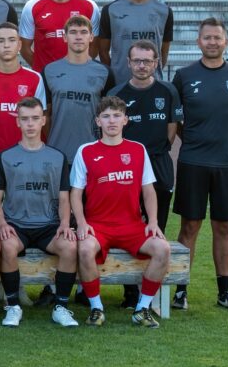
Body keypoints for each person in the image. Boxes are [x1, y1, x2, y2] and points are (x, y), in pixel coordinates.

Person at [70, 96, 171, 328]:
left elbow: (148, 191)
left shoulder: (138, 149)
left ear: (125, 120)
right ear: (98, 121)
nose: (111, 121)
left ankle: (142, 309)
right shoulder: (86, 151)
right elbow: (75, 193)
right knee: (84, 249)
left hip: (131, 225)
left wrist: (153, 221)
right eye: (106, 116)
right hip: (98, 225)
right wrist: (82, 223)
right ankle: (96, 308)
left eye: (117, 116)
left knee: (163, 249)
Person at [171, 18, 228, 312]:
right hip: (193, 162)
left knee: (223, 226)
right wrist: (193, 139)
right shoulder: (184, 75)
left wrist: (227, 138)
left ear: (226, 41)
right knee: (190, 226)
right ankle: (181, 291)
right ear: (198, 42)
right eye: (207, 37)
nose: (212, 42)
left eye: (217, 37)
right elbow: (176, 118)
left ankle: (224, 292)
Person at [0, 97, 79, 328]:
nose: (30, 124)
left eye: (34, 118)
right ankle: (13, 306)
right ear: (17, 122)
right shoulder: (5, 157)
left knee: (70, 247)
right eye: (25, 119)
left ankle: (61, 307)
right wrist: (2, 224)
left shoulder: (58, 157)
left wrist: (64, 224)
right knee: (7, 246)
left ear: (43, 120)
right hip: (16, 224)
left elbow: (64, 198)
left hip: (49, 226)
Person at [111, 40, 182, 234]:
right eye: (137, 61)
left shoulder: (168, 91)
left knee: (158, 219)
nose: (141, 66)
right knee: (128, 218)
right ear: (129, 62)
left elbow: (172, 127)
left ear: (156, 63)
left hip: (159, 160)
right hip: (127, 162)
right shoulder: (116, 94)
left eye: (147, 61)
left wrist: (159, 148)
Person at [43, 15, 115, 163]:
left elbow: (110, 115)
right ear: (65, 37)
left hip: (93, 153)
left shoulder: (104, 72)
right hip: (58, 153)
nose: (78, 37)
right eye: (73, 32)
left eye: (83, 32)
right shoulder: (49, 71)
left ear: (91, 37)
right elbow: (45, 115)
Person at [0, 22, 46, 162]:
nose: (6, 45)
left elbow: (40, 118)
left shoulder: (35, 78)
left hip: (25, 154)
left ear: (19, 45)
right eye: (1, 41)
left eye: (11, 40)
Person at [97, 0, 173, 87]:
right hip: (120, 85)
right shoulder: (110, 10)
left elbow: (163, 53)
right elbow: (103, 52)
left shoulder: (164, 11)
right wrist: (115, 76)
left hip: (153, 85)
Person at [19, 0, 100, 74]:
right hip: (46, 78)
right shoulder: (32, 7)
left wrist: (80, 68)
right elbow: (24, 48)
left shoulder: (89, 6)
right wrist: (44, 71)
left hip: (79, 75)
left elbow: (94, 47)